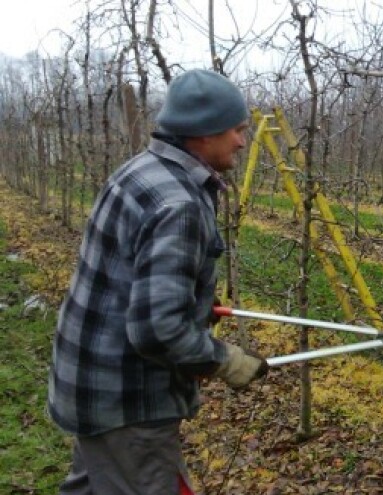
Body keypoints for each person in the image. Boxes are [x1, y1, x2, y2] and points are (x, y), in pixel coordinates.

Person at [48, 69, 269, 494]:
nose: (242, 141)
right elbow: (157, 329)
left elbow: (133, 277)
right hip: (127, 400)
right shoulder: (179, 204)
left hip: (91, 380)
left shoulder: (140, 170)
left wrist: (193, 304)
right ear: (203, 133)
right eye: (237, 130)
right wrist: (225, 360)